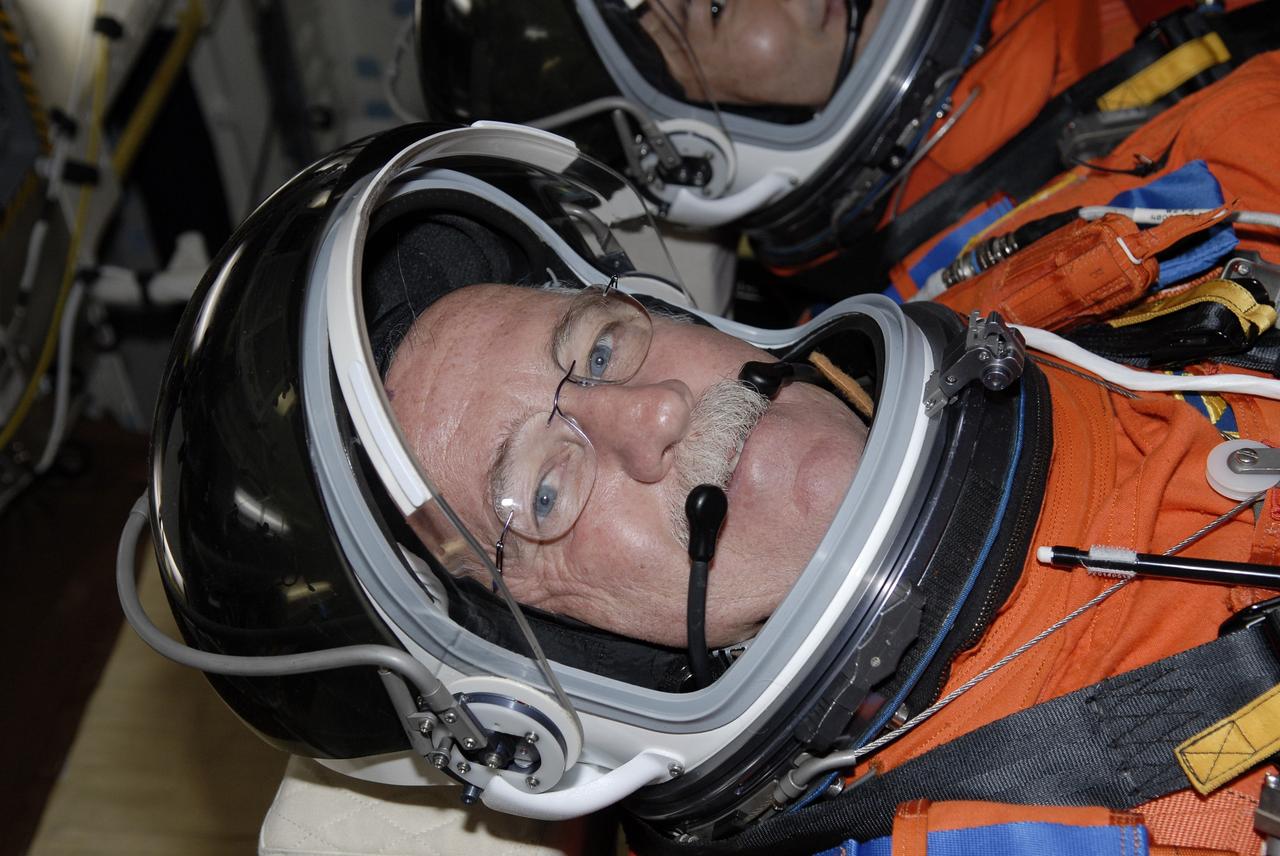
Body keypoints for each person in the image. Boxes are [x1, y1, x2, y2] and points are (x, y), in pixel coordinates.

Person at [122, 54, 1280, 856]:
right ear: (560, 675)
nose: (651, 414)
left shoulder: (1064, 261)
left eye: (600, 342)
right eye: (541, 487)